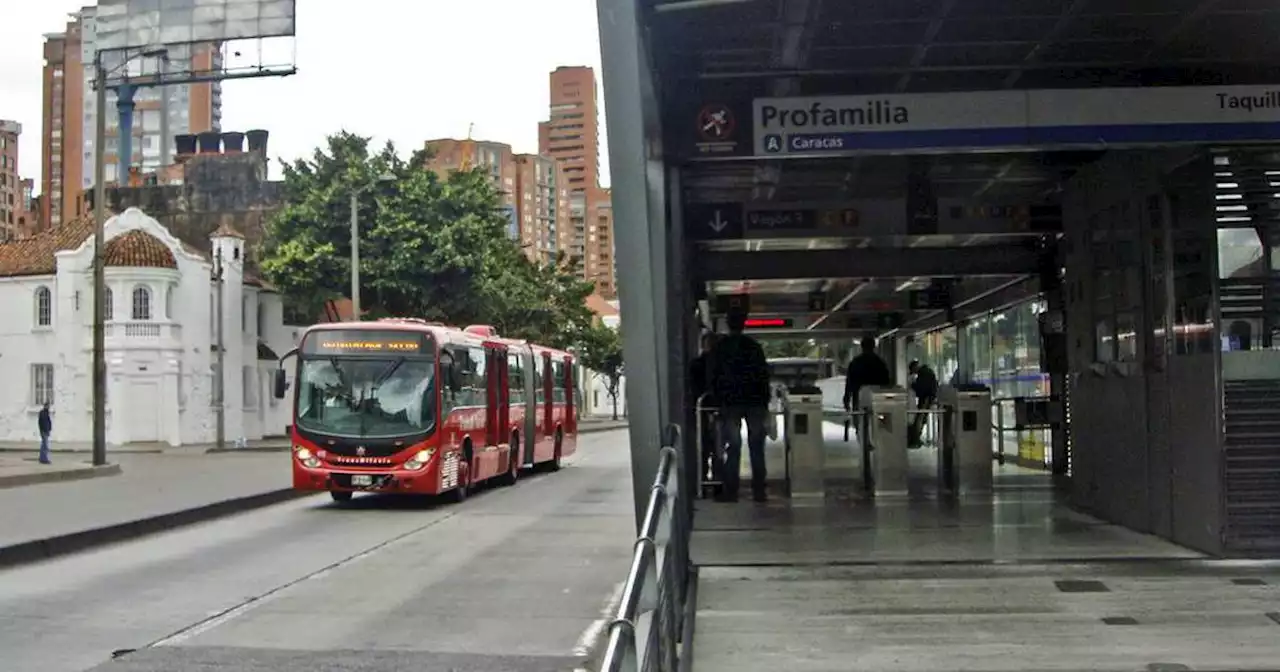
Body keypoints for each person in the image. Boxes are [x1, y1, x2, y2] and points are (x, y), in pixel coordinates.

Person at [708, 310, 771, 502]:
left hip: (730, 403)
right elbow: (763, 376)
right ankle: (759, 489)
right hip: (754, 402)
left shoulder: (721, 348)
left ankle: (731, 489)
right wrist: (765, 402)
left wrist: (716, 400)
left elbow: (714, 376)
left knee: (733, 446)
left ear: (728, 324)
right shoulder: (754, 348)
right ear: (744, 325)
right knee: (756, 445)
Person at [689, 332, 720, 495]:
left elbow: (693, 388)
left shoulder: (696, 364)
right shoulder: (722, 364)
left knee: (704, 446)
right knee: (717, 447)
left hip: (701, 410)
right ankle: (717, 481)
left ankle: (702, 480)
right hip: (715, 409)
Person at [842, 336, 892, 439]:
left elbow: (849, 382)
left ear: (861, 347)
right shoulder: (880, 363)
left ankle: (864, 445)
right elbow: (886, 382)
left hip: (859, 397)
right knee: (877, 424)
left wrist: (846, 398)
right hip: (877, 397)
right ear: (874, 346)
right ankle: (877, 443)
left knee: (860, 423)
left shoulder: (855, 362)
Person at [908, 360, 939, 447]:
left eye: (913, 371)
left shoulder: (924, 374)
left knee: (920, 418)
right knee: (921, 418)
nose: (914, 373)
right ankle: (916, 438)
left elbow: (921, 388)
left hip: (926, 398)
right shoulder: (926, 372)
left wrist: (913, 385)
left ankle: (915, 439)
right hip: (928, 397)